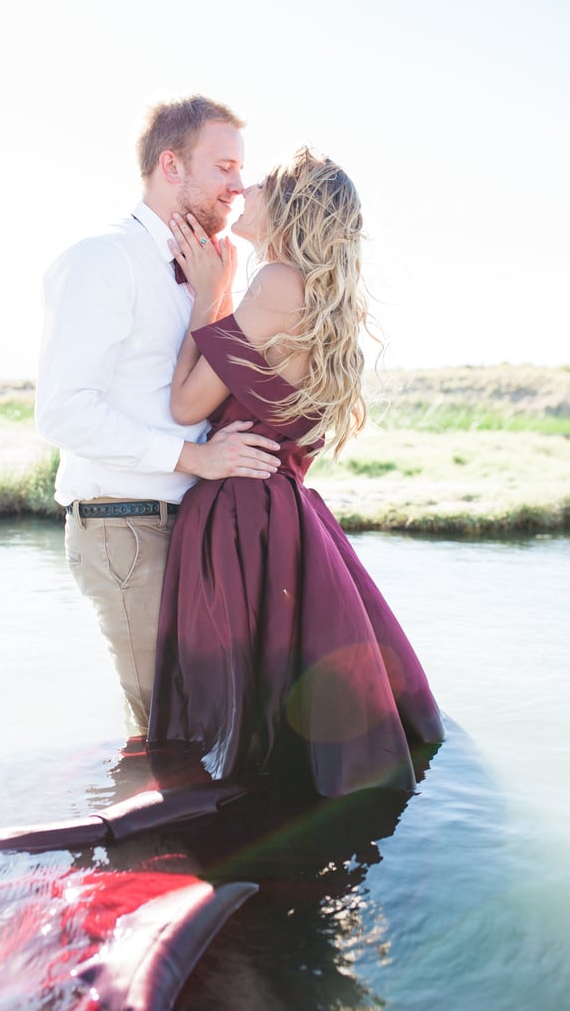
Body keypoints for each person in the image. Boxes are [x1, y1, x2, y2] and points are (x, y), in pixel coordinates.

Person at [147, 147, 445, 798]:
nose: (240, 189)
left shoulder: (277, 282)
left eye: (257, 182)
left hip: (238, 518)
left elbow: (183, 405)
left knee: (233, 714)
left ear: (288, 207)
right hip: (283, 515)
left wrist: (208, 297)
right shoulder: (311, 296)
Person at [35, 96, 281, 735]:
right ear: (172, 166)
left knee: (203, 727)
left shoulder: (212, 272)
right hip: (126, 529)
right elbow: (63, 411)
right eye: (224, 166)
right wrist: (194, 458)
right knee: (167, 733)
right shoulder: (104, 259)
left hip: (192, 530)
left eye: (241, 169)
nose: (238, 185)